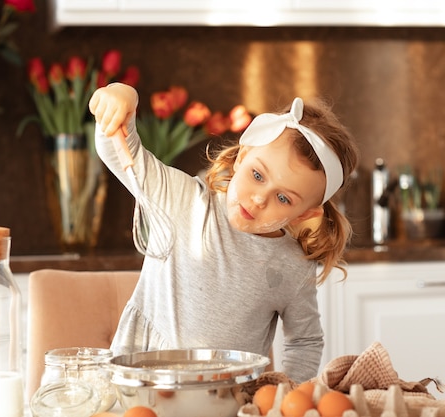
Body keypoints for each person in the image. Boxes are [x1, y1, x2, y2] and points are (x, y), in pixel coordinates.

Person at [89, 83, 359, 382]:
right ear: (242, 157)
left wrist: (286, 397)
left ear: (305, 214)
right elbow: (118, 152)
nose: (259, 199)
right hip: (139, 386)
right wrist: (122, 96)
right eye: (257, 175)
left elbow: (305, 341)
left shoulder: (292, 268)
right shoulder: (184, 200)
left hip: (225, 403)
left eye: (284, 198)